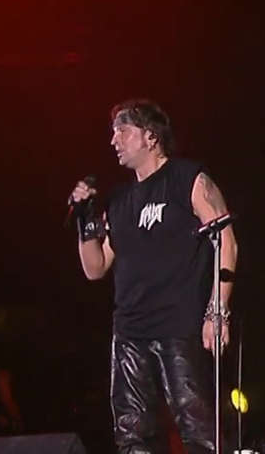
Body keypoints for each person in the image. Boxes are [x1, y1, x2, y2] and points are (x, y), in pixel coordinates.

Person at [69, 98, 238, 454]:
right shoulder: (119, 200)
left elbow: (225, 240)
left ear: (150, 136)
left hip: (179, 325)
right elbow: (95, 268)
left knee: (199, 430)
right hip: (130, 331)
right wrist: (84, 219)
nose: (114, 140)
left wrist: (217, 311)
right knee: (133, 436)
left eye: (122, 131)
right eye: (113, 132)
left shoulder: (187, 178)